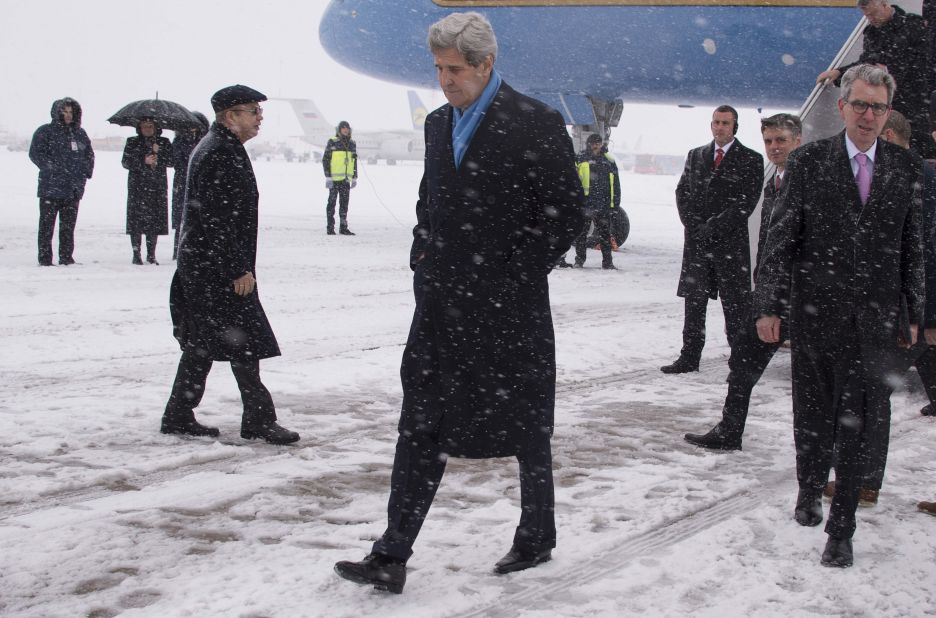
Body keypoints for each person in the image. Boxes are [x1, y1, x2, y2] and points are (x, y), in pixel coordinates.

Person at [334, 12, 584, 594]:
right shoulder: (438, 123)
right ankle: (392, 552)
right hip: (441, 305)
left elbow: (566, 213)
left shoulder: (536, 122)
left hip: (508, 310)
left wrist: (510, 277)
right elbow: (432, 199)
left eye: (455, 70)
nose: (445, 81)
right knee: (420, 421)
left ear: (485, 63)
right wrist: (423, 253)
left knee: (525, 427)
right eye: (439, 70)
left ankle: (537, 536)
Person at [754, 64, 924, 567]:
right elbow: (781, 239)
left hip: (874, 322)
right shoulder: (808, 163)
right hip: (815, 315)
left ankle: (842, 527)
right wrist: (769, 305)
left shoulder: (904, 167)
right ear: (843, 106)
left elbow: (913, 245)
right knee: (812, 413)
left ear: (887, 112)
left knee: (859, 423)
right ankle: (809, 486)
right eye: (861, 105)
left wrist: (913, 311)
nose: (869, 115)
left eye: (878, 107)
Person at [161, 84, 299, 446]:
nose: (259, 118)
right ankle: (258, 420)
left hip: (205, 265)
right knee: (245, 343)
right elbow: (216, 218)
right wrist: (237, 268)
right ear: (230, 116)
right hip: (216, 269)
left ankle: (178, 413)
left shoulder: (220, 147)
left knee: (204, 345)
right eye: (252, 111)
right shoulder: (220, 151)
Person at [684, 113, 802, 451]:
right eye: (769, 141)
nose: (774, 147)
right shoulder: (775, 181)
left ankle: (836, 455)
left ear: (798, 140)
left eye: (781, 140)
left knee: (818, 383)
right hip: (774, 294)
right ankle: (730, 430)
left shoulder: (805, 181)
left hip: (800, 295)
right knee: (743, 361)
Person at [661, 105, 764, 374]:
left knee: (735, 308)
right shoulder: (696, 155)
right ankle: (689, 357)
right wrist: (693, 224)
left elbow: (746, 202)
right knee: (694, 305)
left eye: (725, 123)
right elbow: (682, 191)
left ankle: (739, 361)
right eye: (716, 122)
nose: (720, 127)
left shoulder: (751, 159)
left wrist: (715, 226)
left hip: (730, 246)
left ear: (735, 126)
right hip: (697, 245)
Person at [816, 0, 934, 159]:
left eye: (873, 13)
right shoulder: (872, 32)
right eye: (867, 15)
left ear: (885, 4)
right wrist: (839, 72)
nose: (870, 18)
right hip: (886, 105)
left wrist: (885, 69)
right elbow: (867, 63)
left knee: (916, 151)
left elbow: (919, 66)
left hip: (915, 103)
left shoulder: (913, 26)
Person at [28, 97, 94, 266]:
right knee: (46, 227)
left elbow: (89, 155)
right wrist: (51, 168)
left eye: (71, 111)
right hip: (50, 188)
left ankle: (66, 257)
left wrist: (84, 173)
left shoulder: (80, 133)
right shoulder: (45, 132)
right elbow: (35, 154)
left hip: (73, 189)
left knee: (68, 228)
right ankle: (45, 259)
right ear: (57, 112)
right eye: (64, 111)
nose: (68, 115)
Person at [122, 118, 173, 265]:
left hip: (157, 187)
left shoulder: (163, 142)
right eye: (144, 126)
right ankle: (136, 253)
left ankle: (151, 254)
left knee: (154, 221)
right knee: (136, 222)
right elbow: (125, 162)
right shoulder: (132, 142)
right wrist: (143, 161)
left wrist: (159, 154)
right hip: (137, 187)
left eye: (151, 126)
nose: (148, 129)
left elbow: (172, 161)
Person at [572, 133, 620, 270]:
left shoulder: (609, 160)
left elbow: (615, 184)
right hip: (586, 204)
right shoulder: (580, 158)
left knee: (605, 235)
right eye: (593, 143)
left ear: (601, 144)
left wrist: (615, 204)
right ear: (589, 144)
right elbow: (574, 181)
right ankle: (579, 260)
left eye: (598, 143)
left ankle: (607, 262)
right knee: (581, 235)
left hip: (603, 204)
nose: (595, 146)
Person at [171, 111, 209, 260]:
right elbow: (175, 161)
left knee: (200, 217)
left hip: (200, 183)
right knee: (182, 217)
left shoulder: (205, 142)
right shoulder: (179, 142)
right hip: (182, 182)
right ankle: (178, 248)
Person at [322, 120, 358, 235]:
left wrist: (354, 176)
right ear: (339, 130)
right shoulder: (333, 142)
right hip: (334, 179)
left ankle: (343, 227)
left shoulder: (352, 143)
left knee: (344, 205)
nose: (345, 130)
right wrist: (328, 176)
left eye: (347, 128)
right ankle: (330, 227)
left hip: (345, 180)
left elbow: (354, 161)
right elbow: (326, 159)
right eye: (343, 128)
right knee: (331, 203)